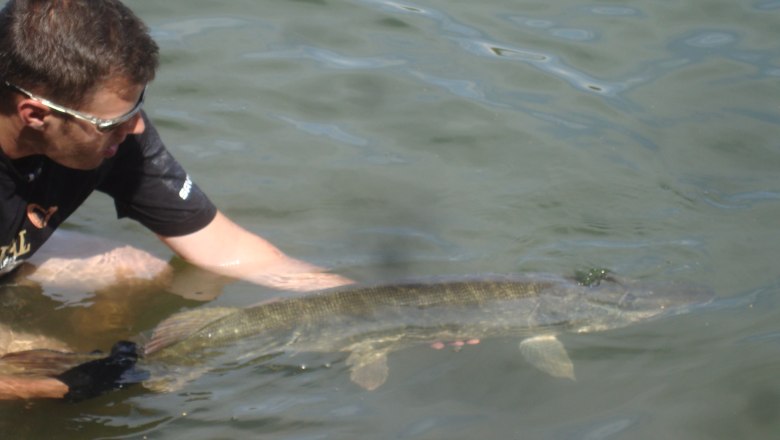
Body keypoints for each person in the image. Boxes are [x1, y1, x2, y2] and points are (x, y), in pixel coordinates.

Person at [0, 0, 353, 399]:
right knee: (49, 364)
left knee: (139, 272)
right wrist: (55, 388)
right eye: (113, 123)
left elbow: (223, 247)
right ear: (35, 115)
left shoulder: (116, 134)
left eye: (137, 106)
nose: (134, 129)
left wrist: (363, 304)